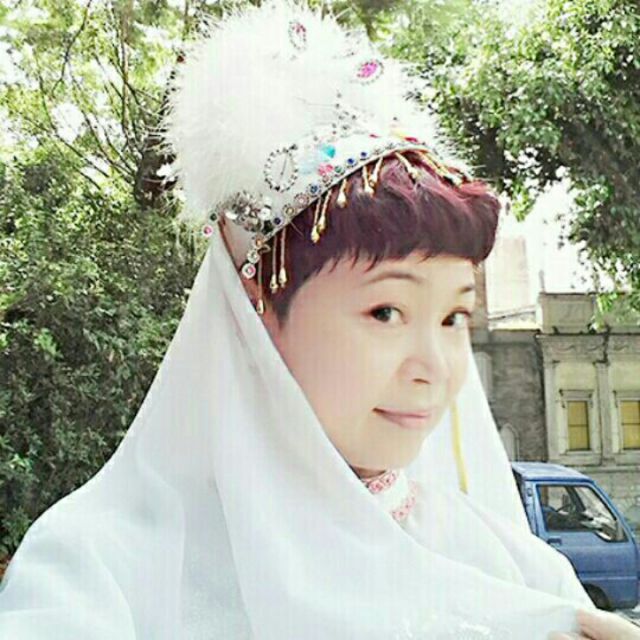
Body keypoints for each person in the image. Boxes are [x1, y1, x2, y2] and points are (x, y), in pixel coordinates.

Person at [1, 1, 639, 638]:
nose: (434, 368)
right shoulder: (96, 571)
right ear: (256, 309)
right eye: (386, 311)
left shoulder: (516, 568)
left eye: (453, 317)